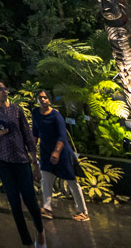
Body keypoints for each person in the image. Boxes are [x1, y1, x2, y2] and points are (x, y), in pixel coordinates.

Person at [0, 79, 46, 246]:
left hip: (21, 158)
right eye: (0, 89)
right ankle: (27, 241)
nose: (5, 92)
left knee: (30, 199)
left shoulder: (16, 110)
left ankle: (40, 231)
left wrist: (35, 163)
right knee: (14, 201)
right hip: (2, 159)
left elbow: (28, 137)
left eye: (5, 89)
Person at [32, 90, 88, 222]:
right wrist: (32, 149)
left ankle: (83, 212)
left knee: (71, 181)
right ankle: (47, 209)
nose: (43, 100)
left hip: (62, 153)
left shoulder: (56, 116)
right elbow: (35, 132)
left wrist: (56, 152)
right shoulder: (36, 113)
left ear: (49, 100)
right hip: (46, 151)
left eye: (45, 97)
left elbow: (62, 135)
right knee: (46, 179)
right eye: (40, 98)